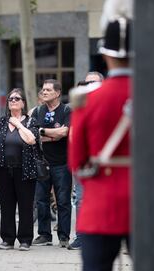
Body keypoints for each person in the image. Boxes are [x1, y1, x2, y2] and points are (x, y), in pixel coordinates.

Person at [68, 7, 132, 271]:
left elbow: (76, 161)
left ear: (105, 54)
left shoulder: (86, 99)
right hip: (148, 204)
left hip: (100, 204)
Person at [0, 88, 38, 251]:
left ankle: (25, 239)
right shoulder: (1, 122)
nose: (13, 101)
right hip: (2, 169)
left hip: (25, 170)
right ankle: (7, 239)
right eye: (11, 99)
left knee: (25, 205)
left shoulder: (30, 122)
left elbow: (31, 140)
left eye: (17, 98)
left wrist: (18, 124)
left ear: (23, 103)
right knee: (7, 205)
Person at [31, 79, 72, 248]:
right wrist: (50, 134)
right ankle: (44, 235)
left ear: (57, 93)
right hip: (42, 163)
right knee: (41, 200)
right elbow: (33, 135)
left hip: (62, 163)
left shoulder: (66, 110)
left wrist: (43, 132)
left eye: (48, 90)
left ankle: (64, 236)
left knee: (63, 201)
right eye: (43, 90)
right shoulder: (38, 111)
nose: (44, 92)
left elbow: (64, 131)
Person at [68, 72, 104, 251]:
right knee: (81, 199)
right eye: (87, 83)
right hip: (83, 163)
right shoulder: (76, 107)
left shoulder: (108, 103)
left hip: (107, 163)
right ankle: (81, 237)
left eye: (94, 83)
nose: (90, 86)